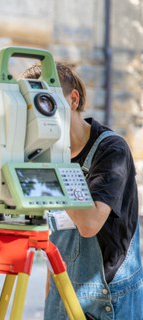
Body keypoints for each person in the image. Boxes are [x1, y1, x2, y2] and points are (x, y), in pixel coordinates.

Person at [21, 62, 143, 319]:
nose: (36, 118)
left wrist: (56, 164)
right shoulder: (41, 154)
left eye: (44, 104)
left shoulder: (112, 149)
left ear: (73, 99)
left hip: (106, 299)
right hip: (61, 288)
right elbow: (51, 226)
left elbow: (89, 223)